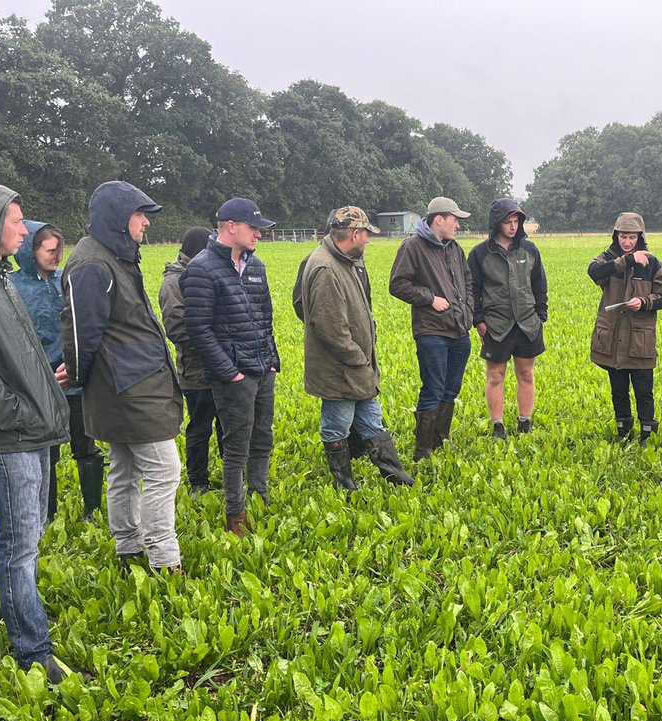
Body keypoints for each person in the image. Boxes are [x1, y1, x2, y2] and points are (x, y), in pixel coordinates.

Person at [0, 182, 75, 683]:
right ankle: (34, 654)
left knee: (30, 536)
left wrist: (41, 386)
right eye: (15, 220)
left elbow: (13, 356)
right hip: (11, 437)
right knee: (18, 545)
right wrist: (21, 414)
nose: (23, 230)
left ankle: (27, 625)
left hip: (31, 428)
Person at [61, 181, 183, 571]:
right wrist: (76, 373)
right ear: (118, 217)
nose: (146, 222)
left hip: (131, 383)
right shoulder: (93, 265)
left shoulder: (112, 256)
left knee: (125, 470)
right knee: (165, 472)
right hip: (130, 389)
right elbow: (80, 329)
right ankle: (165, 560)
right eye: (139, 214)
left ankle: (128, 550)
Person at [293, 206, 413, 488]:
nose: (369, 240)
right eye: (367, 235)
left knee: (371, 417)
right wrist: (358, 357)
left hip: (356, 365)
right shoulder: (325, 267)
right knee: (337, 424)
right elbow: (329, 327)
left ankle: (396, 477)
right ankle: (345, 485)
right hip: (340, 368)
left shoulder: (345, 260)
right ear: (355, 234)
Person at [182, 198, 280, 536]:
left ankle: (260, 493)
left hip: (262, 368)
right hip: (233, 375)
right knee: (236, 445)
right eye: (254, 228)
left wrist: (272, 362)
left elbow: (265, 319)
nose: (259, 234)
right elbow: (198, 329)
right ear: (231, 226)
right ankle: (235, 513)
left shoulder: (257, 267)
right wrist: (229, 372)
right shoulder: (201, 268)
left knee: (262, 437)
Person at [10, 220, 104, 520]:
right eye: (51, 251)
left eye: (60, 250)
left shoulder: (67, 279)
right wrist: (40, 376)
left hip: (74, 379)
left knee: (86, 445)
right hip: (39, 384)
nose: (57, 256)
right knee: (45, 452)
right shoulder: (13, 287)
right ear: (30, 251)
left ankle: (92, 510)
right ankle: (46, 514)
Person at [388, 196, 474, 460]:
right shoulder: (413, 247)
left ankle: (440, 439)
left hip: (459, 330)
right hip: (432, 332)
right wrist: (429, 298)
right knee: (433, 388)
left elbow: (468, 281)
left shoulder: (455, 249)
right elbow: (398, 284)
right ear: (439, 219)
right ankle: (423, 450)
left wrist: (468, 309)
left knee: (451, 389)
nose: (458, 225)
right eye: (454, 219)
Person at [587, 212, 662, 446]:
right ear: (616, 236)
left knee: (644, 389)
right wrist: (628, 260)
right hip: (612, 338)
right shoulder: (607, 259)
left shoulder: (653, 263)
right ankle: (623, 432)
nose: (627, 242)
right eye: (623, 236)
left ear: (639, 237)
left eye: (632, 237)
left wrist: (643, 302)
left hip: (640, 339)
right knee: (619, 389)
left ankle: (647, 434)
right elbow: (594, 272)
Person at [467, 199, 548, 438]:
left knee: (526, 373)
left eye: (516, 221)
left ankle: (525, 422)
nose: (512, 227)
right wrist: (479, 322)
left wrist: (541, 314)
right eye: (507, 222)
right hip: (496, 324)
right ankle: (497, 426)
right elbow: (473, 290)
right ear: (496, 224)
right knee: (495, 376)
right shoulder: (480, 253)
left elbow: (539, 283)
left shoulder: (530, 250)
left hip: (527, 323)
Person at [158, 226, 221, 495]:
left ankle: (231, 474)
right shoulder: (174, 282)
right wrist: (213, 338)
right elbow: (177, 328)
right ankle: (198, 482)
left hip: (221, 367)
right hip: (195, 370)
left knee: (227, 425)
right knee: (199, 428)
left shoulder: (204, 272)